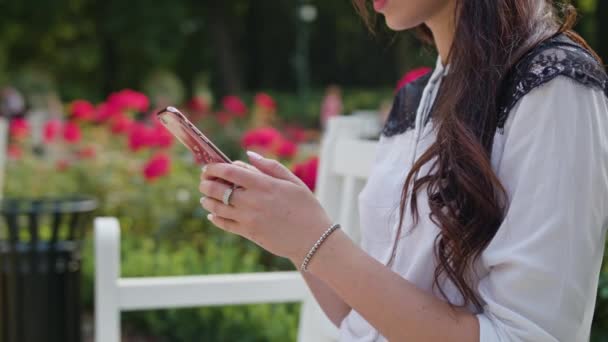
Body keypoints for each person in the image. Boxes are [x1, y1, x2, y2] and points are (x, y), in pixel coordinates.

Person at [198, 0, 608, 340]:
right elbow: (361, 319)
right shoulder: (415, 100)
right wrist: (291, 236)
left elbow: (526, 334)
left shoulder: (553, 85)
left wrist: (316, 241)